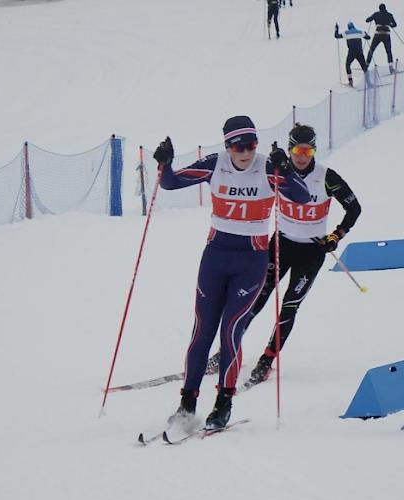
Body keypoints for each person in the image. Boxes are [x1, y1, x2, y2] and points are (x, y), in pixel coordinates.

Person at [153, 116, 311, 430]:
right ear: (227, 146)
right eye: (239, 146)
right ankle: (187, 403)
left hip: (251, 261)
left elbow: (303, 197)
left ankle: (223, 402)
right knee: (202, 332)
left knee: (231, 331)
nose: (246, 152)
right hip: (215, 257)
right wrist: (165, 164)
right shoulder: (215, 164)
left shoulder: (267, 167)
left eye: (252, 145)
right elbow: (170, 183)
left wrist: (287, 170)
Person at [241, 124, 362, 388]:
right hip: (281, 246)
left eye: (307, 150)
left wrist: (337, 235)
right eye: (297, 149)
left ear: (314, 150)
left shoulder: (326, 177)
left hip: (311, 252)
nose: (302, 156)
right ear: (290, 149)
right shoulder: (279, 172)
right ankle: (229, 350)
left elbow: (354, 208)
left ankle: (266, 360)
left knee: (289, 305)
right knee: (257, 297)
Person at [335, 22, 371, 87]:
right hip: (360, 52)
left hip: (351, 52)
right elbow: (368, 37)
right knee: (364, 67)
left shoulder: (346, 33)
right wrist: (366, 34)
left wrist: (336, 29)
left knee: (347, 65)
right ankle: (369, 82)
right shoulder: (359, 32)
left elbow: (336, 36)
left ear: (348, 27)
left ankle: (350, 81)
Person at [365, 3, 397, 74]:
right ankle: (391, 68)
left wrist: (372, 19)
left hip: (378, 34)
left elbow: (367, 20)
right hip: (386, 34)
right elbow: (395, 24)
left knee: (371, 50)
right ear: (385, 8)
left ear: (379, 8)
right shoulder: (389, 15)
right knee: (388, 51)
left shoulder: (376, 14)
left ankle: (366, 66)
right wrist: (390, 24)